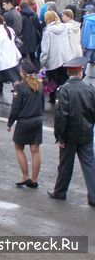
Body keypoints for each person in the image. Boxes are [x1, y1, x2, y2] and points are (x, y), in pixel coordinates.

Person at [48, 57, 95, 205]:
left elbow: (61, 116)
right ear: (80, 71)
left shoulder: (64, 90)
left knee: (65, 165)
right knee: (89, 165)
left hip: (69, 135)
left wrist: (59, 136)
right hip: (86, 132)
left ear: (69, 73)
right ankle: (93, 196)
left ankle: (60, 191)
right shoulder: (90, 89)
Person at [7, 59, 45, 188]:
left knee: (19, 148)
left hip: (24, 121)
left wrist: (10, 122)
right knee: (35, 150)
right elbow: (43, 105)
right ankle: (34, 179)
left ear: (22, 73)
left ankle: (25, 176)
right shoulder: (40, 86)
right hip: (37, 120)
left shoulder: (20, 87)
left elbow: (16, 108)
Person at [40, 11, 73, 104]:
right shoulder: (65, 27)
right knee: (64, 79)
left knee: (52, 81)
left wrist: (42, 62)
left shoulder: (48, 31)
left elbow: (45, 49)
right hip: (65, 58)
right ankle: (66, 97)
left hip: (53, 60)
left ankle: (53, 98)